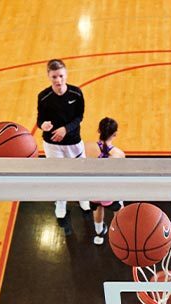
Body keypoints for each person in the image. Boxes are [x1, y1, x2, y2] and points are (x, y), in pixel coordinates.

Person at [37, 58, 91, 235]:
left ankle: (84, 198)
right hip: (52, 144)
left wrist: (65, 130)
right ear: (49, 77)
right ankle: (61, 204)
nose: (58, 80)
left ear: (66, 75)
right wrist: (42, 126)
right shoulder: (43, 97)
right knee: (58, 176)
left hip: (73, 142)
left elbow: (79, 117)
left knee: (81, 173)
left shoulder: (76, 94)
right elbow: (40, 120)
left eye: (60, 76)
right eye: (54, 77)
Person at [91, 117, 126, 246]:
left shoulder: (88, 147)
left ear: (99, 130)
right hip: (110, 191)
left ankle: (99, 233)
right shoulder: (119, 154)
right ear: (115, 134)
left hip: (93, 189)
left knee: (98, 208)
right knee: (119, 210)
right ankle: (120, 233)